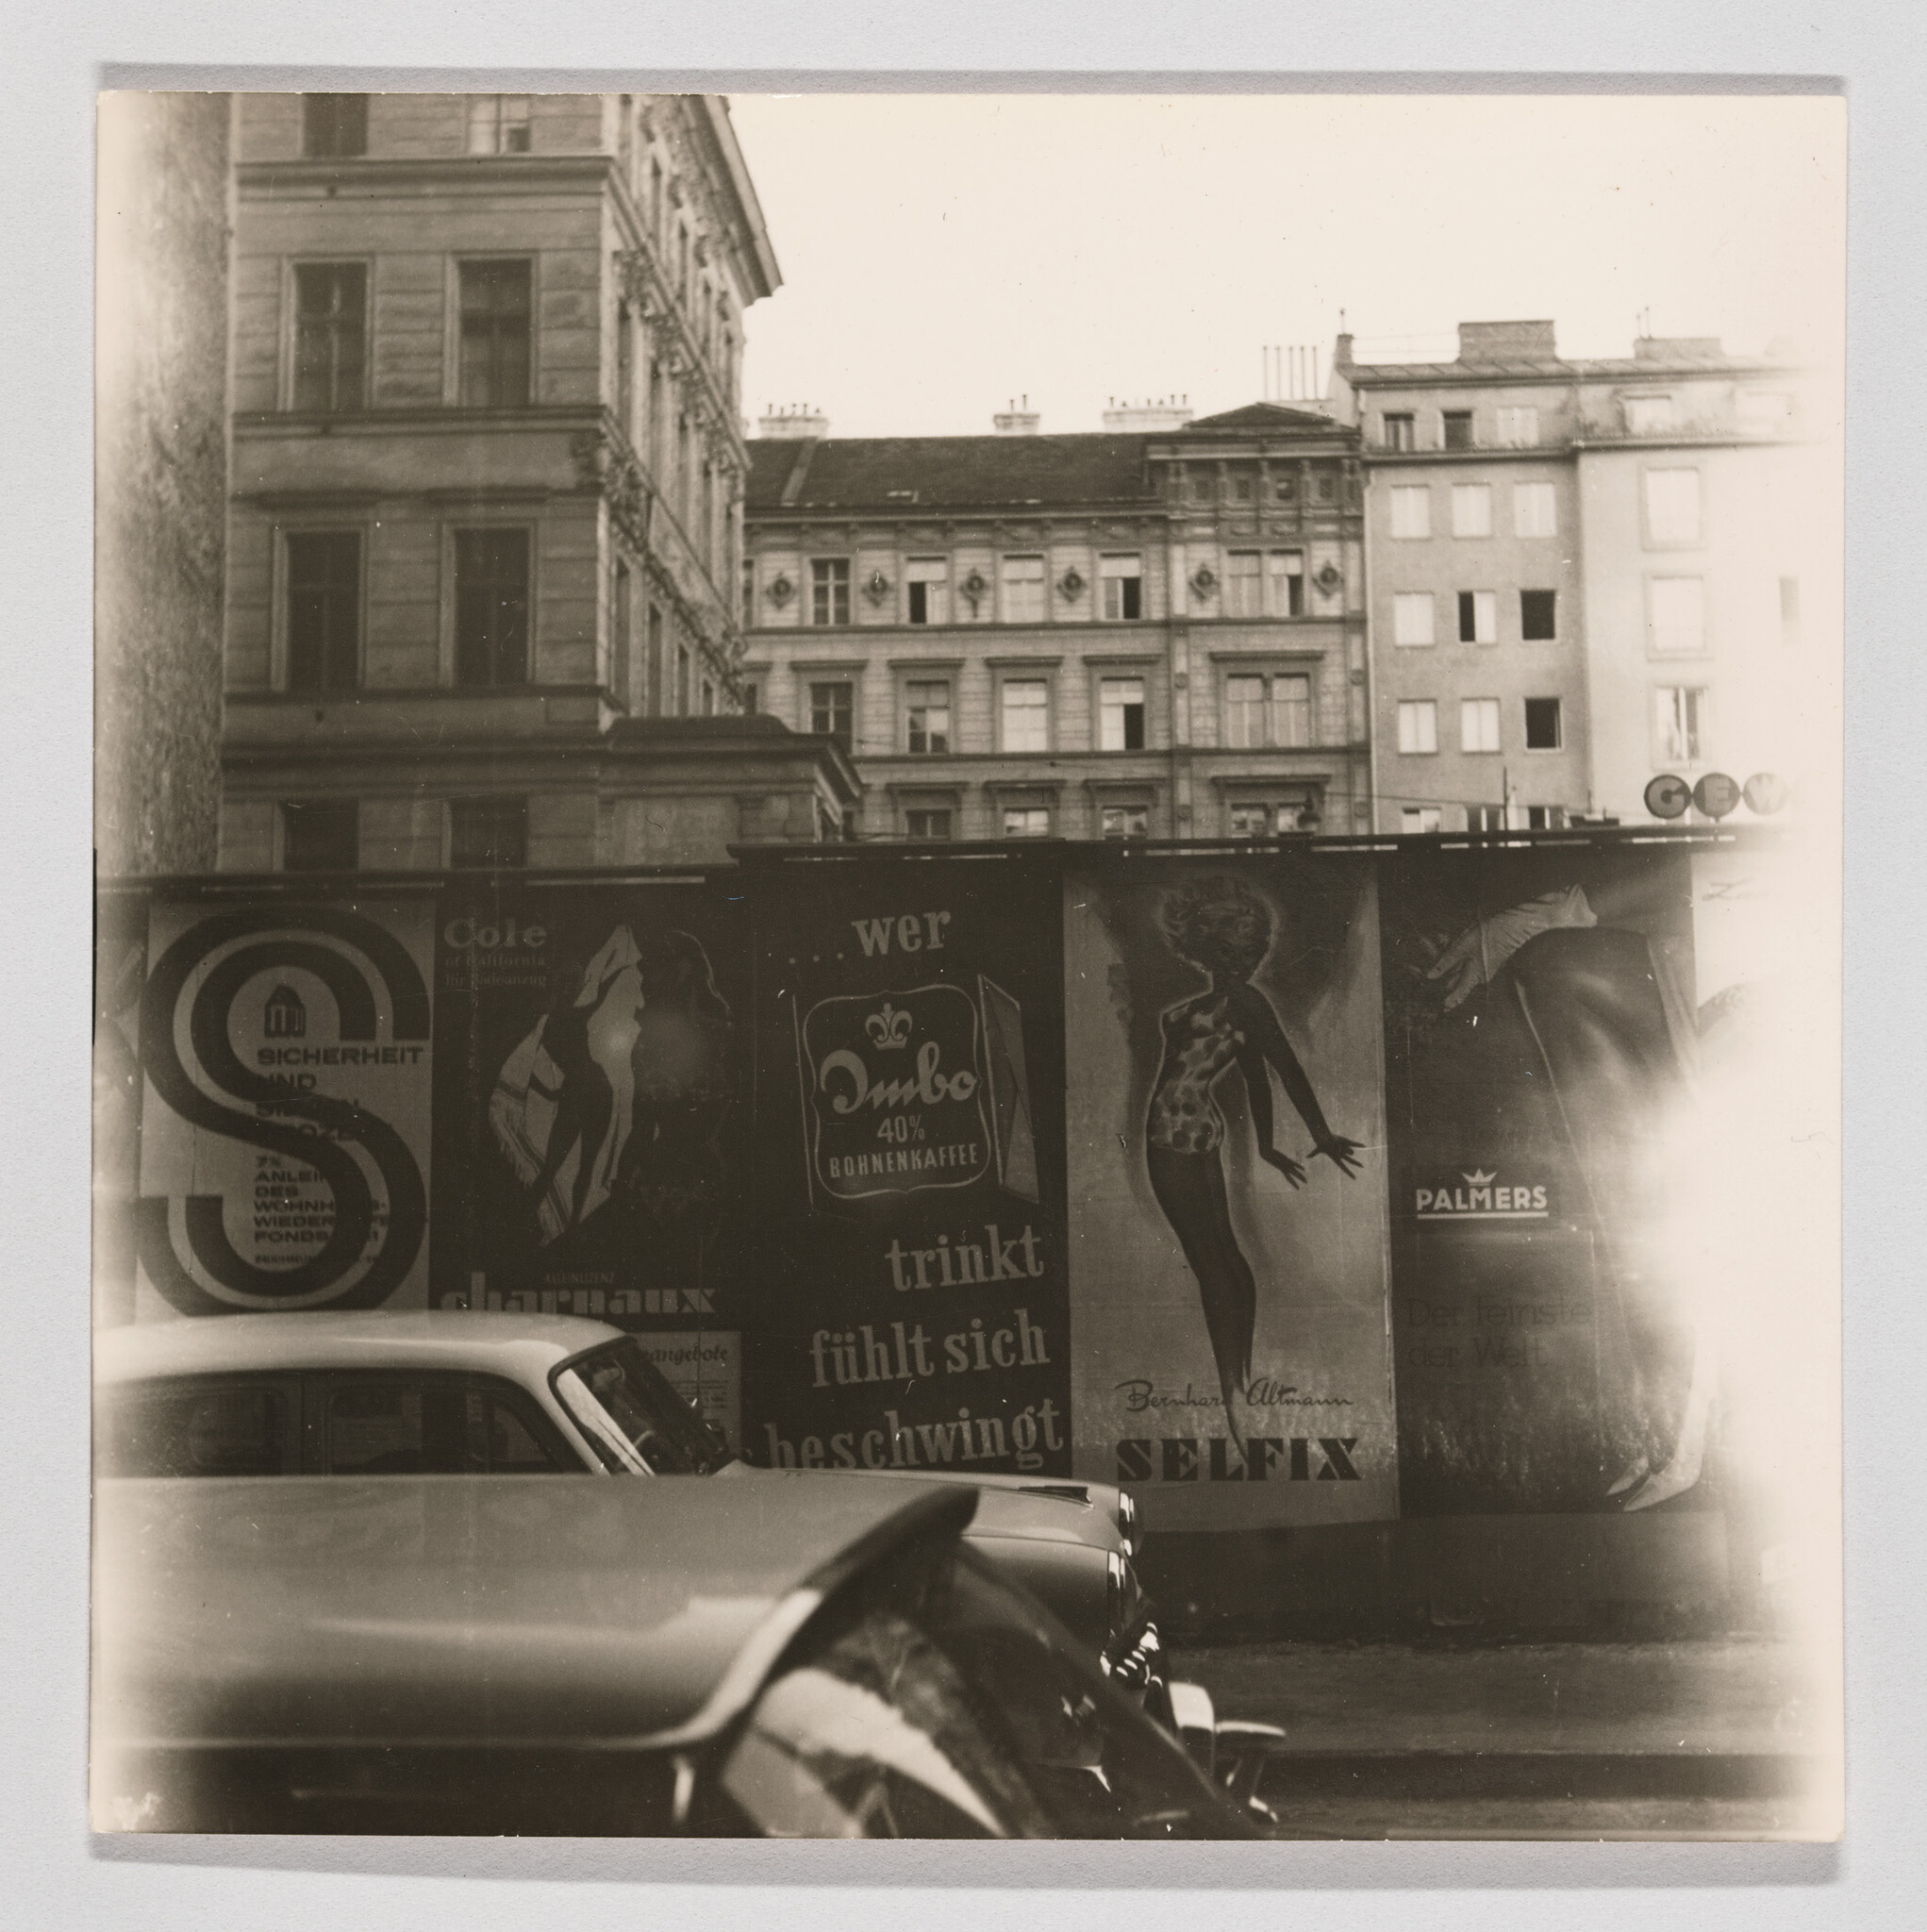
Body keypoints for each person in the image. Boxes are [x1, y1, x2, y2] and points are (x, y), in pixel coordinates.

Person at [1144, 875, 1362, 1446]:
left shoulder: (1239, 1001)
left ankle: (1235, 1400)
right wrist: (1266, 1145)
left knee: (1212, 1262)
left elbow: (1284, 1067)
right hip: (1196, 1126)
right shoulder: (1238, 1002)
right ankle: (1238, 1387)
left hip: (1174, 1130)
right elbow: (1255, 1073)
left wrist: (1321, 1132)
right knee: (1225, 1257)